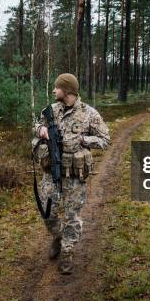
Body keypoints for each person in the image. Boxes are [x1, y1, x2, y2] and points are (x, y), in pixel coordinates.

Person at [32, 73, 110, 274]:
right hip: (51, 173)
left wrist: (83, 140)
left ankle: (67, 253)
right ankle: (57, 236)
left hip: (74, 177)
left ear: (67, 91)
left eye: (56, 88)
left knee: (71, 216)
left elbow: (105, 139)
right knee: (47, 212)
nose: (53, 91)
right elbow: (36, 125)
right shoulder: (50, 111)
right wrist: (41, 129)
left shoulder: (89, 114)